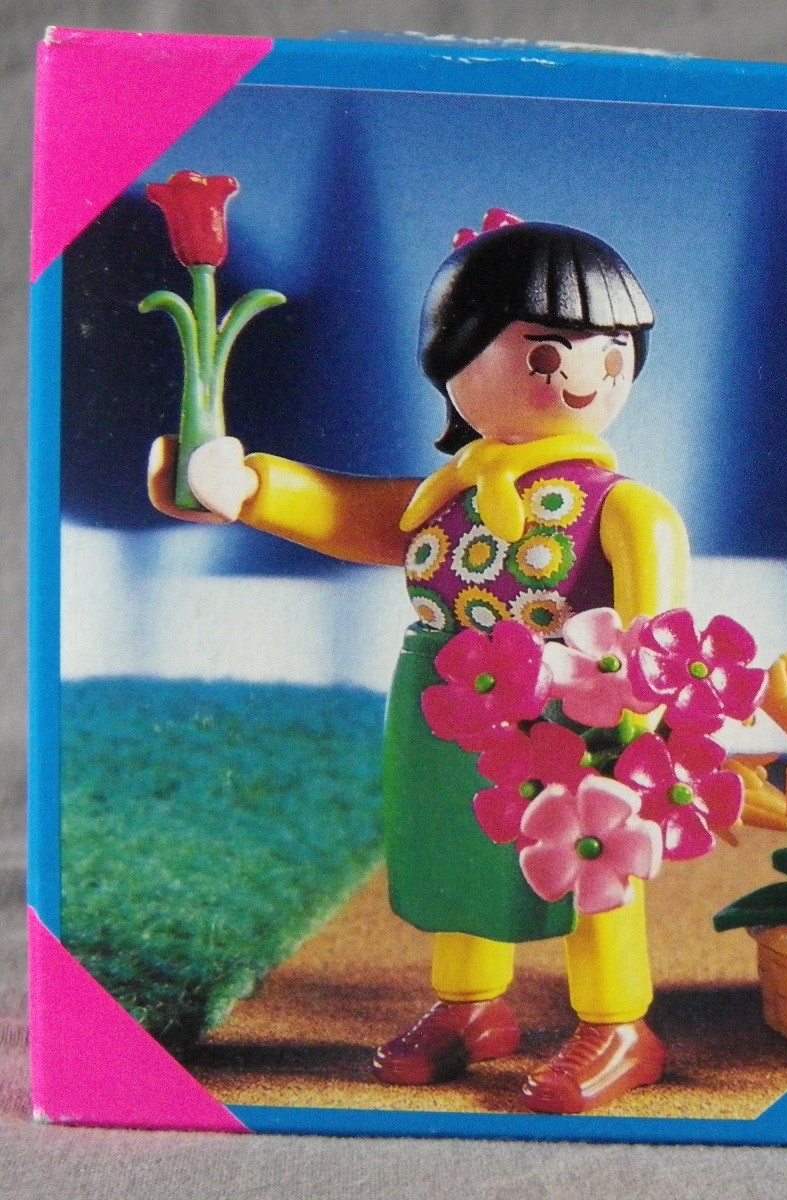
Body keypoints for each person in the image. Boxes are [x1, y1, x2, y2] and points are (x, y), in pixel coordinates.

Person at [147, 213, 690, 1115]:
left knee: (593, 859)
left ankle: (618, 1022)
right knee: (458, 849)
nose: (585, 374)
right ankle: (471, 1006)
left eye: (612, 351)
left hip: (574, 709)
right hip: (446, 695)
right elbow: (348, 512)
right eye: (547, 352)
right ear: (456, 360)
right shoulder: (448, 498)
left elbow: (656, 637)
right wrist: (248, 487)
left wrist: (634, 727)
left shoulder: (628, 510)